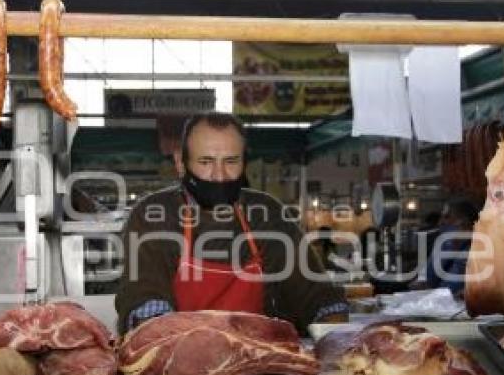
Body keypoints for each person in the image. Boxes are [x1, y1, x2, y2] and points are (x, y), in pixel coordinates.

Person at [115, 112, 348, 334]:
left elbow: (317, 296)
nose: (220, 175)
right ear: (181, 163)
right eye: (206, 161)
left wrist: (335, 333)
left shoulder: (266, 214)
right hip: (179, 361)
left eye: (231, 161)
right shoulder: (154, 216)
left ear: (244, 163)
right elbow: (144, 304)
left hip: (258, 359)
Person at [423, 199, 479, 296]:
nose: (440, 222)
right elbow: (428, 280)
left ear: (462, 221)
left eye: (447, 217)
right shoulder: (445, 246)